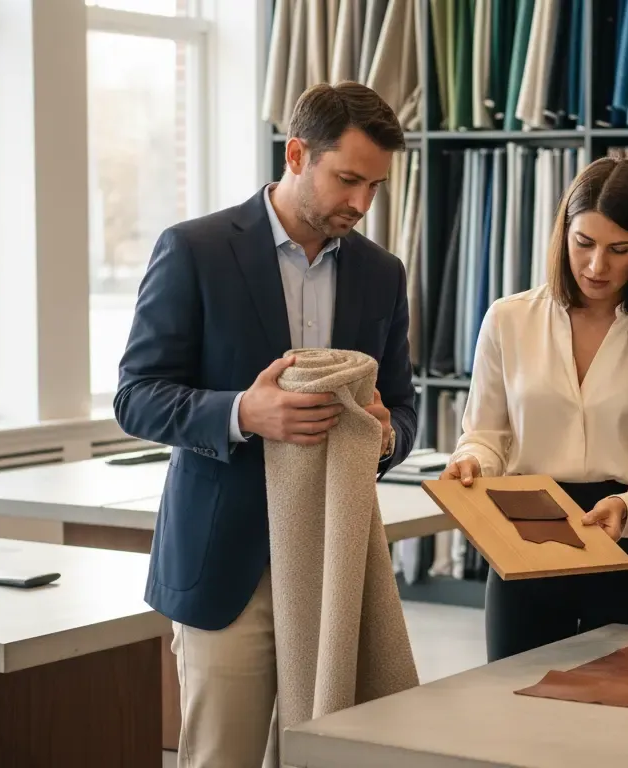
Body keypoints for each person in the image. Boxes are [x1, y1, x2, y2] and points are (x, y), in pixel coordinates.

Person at [113, 82, 416, 767]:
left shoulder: (382, 274)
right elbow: (136, 397)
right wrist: (243, 413)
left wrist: (386, 431)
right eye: (347, 180)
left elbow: (404, 405)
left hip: (338, 560)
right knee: (222, 757)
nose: (362, 204)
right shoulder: (194, 250)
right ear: (297, 153)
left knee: (334, 755)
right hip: (227, 566)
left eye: (375, 186)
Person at [440, 157, 628, 663]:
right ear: (563, 234)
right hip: (525, 547)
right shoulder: (508, 319)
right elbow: (486, 434)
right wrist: (473, 463)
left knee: (626, 725)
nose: (596, 266)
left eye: (619, 249)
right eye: (583, 243)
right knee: (517, 721)